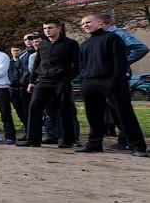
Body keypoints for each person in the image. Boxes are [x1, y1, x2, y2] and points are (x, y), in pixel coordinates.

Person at [77, 14, 147, 157]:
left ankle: (137, 146)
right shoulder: (85, 44)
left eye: (88, 22)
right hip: (90, 82)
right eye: (82, 24)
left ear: (100, 23)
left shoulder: (113, 38)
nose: (85, 25)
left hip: (111, 81)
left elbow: (119, 63)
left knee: (124, 114)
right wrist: (85, 80)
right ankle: (94, 143)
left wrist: (114, 80)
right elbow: (82, 65)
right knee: (93, 115)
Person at [18, 19, 79, 148]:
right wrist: (31, 81)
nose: (47, 30)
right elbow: (36, 64)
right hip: (43, 81)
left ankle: (67, 140)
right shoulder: (42, 44)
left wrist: (67, 78)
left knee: (64, 109)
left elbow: (77, 64)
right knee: (34, 107)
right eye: (45, 28)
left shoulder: (70, 44)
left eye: (50, 28)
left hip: (61, 81)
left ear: (58, 28)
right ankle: (33, 139)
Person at [96, 13, 149, 152]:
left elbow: (141, 48)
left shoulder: (118, 34)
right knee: (113, 108)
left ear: (102, 24)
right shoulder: (103, 37)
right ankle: (124, 139)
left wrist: (122, 62)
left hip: (118, 76)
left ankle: (127, 140)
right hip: (106, 76)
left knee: (121, 108)